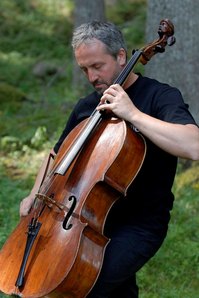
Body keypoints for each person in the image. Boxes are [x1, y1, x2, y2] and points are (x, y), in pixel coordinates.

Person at [20, 21, 199, 297]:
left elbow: (193, 145)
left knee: (86, 285)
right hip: (80, 219)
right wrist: (35, 194)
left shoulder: (159, 96)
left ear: (121, 56)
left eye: (97, 66)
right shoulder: (86, 106)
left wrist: (133, 114)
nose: (91, 77)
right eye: (84, 69)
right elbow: (57, 155)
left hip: (137, 224)